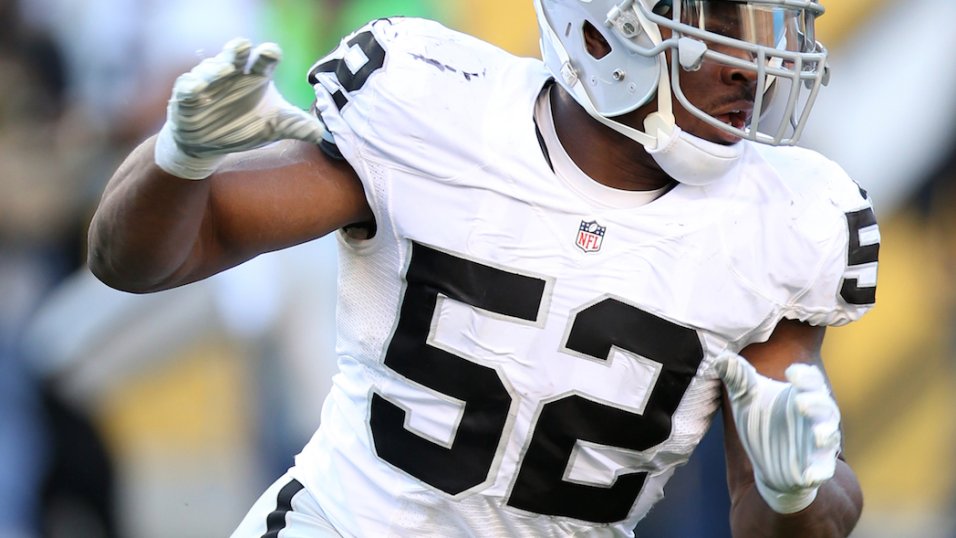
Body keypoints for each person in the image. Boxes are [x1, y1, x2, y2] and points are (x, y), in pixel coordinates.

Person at [86, 0, 878, 536]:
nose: (755, 61)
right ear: (601, 30)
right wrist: (175, 161)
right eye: (716, 16)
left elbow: (777, 511)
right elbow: (137, 262)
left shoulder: (784, 222)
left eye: (768, 17)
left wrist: (796, 487)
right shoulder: (437, 115)